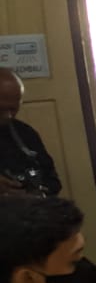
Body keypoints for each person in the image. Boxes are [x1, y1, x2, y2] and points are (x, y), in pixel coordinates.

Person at [0, 69, 62, 198]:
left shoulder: (24, 133)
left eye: (13, 109)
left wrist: (38, 192)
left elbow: (52, 181)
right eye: (1, 109)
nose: (7, 116)